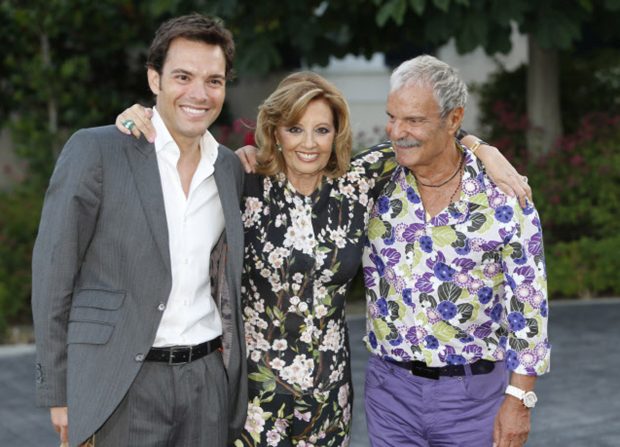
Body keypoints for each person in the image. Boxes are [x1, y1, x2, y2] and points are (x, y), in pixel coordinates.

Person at [116, 68, 530, 446]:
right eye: (295, 129)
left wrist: (483, 149)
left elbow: (428, 135)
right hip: (255, 397)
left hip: (329, 392)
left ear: (337, 134)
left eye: (322, 130)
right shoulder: (241, 180)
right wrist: (138, 117)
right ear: (276, 131)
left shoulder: (357, 182)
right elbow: (179, 149)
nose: (309, 144)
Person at [31, 14, 247, 447]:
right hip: (121, 382)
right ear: (155, 79)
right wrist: (59, 391)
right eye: (183, 76)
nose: (199, 94)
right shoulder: (97, 151)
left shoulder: (229, 168)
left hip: (207, 382)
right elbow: (53, 274)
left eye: (214, 80)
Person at [362, 55, 549, 447]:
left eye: (414, 120)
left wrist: (519, 400)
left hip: (474, 398)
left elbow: (528, 307)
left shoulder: (505, 195)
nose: (397, 132)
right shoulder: (373, 179)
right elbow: (301, 163)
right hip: (389, 394)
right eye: (392, 117)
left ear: (452, 119)